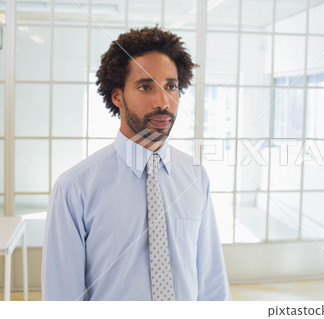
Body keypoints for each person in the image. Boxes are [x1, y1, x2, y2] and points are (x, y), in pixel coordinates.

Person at [41, 26, 231, 301]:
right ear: (117, 96)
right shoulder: (74, 189)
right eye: (145, 87)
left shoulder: (195, 176)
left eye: (171, 86)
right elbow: (62, 298)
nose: (163, 102)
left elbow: (211, 279)